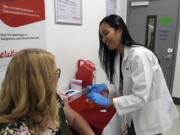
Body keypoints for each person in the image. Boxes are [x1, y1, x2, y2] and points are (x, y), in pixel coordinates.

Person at [86, 15, 179, 135]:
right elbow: (122, 84)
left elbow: (141, 97)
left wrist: (109, 102)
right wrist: (105, 87)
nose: (103, 39)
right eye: (101, 36)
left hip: (149, 118)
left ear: (119, 31)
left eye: (106, 33)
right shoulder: (118, 56)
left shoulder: (139, 56)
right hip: (133, 115)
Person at [0, 49, 95, 135]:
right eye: (55, 73)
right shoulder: (13, 130)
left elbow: (74, 119)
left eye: (57, 72)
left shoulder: (52, 98)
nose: (57, 78)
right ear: (39, 83)